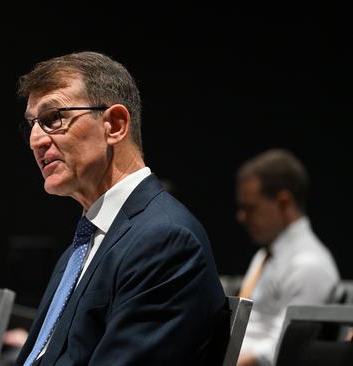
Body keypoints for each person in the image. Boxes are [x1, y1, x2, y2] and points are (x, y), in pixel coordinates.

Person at [15, 51, 226, 365]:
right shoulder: (85, 243)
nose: (35, 140)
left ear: (114, 124)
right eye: (32, 124)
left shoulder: (164, 242)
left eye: (52, 119)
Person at [235, 148, 340, 366]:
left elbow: (285, 348)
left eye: (251, 208)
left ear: (284, 202)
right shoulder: (266, 254)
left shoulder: (310, 265)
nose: (242, 217)